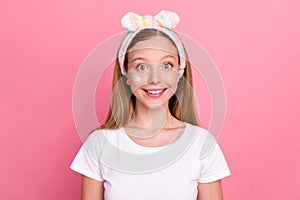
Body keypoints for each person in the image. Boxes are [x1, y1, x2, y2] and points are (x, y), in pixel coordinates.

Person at [70, 10, 231, 200]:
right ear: (126, 74)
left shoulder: (202, 144)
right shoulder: (99, 144)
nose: (155, 79)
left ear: (179, 72)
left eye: (167, 65)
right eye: (141, 66)